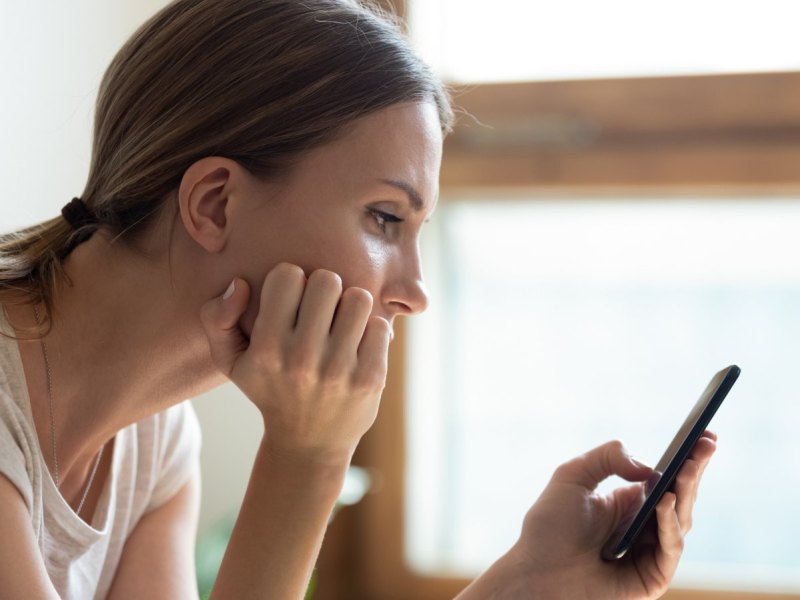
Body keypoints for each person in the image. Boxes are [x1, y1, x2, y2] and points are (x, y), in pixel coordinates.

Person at [0, 0, 716, 598]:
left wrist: (525, 586)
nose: (414, 294)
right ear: (215, 204)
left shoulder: (155, 444)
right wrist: (309, 456)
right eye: (383, 219)